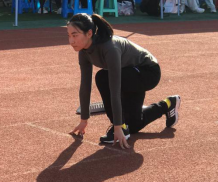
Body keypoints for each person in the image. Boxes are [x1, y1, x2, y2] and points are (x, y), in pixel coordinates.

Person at [68, 13, 181, 149]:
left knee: (102, 78)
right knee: (134, 125)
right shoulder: (83, 51)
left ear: (89, 33)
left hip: (148, 72)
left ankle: (121, 125)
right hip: (129, 74)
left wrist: (118, 126)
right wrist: (83, 120)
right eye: (69, 36)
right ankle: (168, 104)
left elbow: (114, 89)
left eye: (75, 35)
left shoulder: (110, 48)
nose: (71, 41)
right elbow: (85, 86)